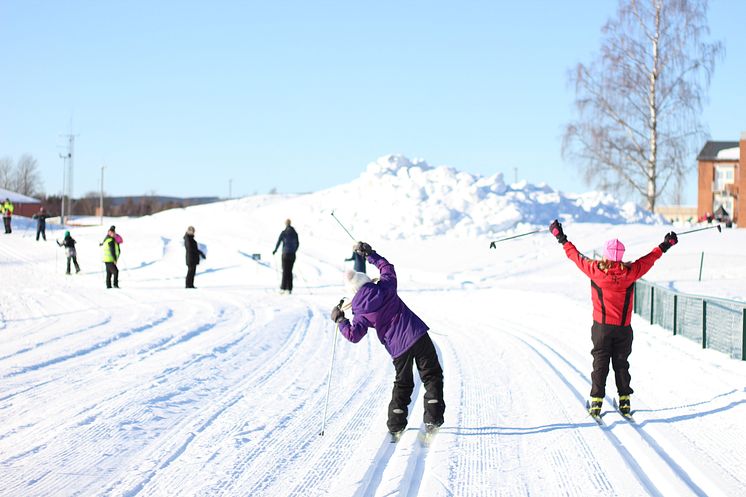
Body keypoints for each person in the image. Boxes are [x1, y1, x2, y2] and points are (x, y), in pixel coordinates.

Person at [549, 219, 677, 417]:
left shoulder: (595, 270)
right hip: (624, 328)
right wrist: (666, 245)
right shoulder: (631, 272)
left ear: (605, 255)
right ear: (621, 256)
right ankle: (624, 400)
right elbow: (649, 259)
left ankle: (596, 402)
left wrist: (560, 236)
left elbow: (575, 256)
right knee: (621, 363)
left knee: (600, 363)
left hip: (601, 328)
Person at [331, 242, 445, 441]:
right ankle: (432, 420)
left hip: (398, 348)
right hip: (417, 334)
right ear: (366, 280)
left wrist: (341, 320)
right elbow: (387, 268)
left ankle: (396, 425)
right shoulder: (385, 287)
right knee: (432, 375)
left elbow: (353, 335)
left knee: (403, 383)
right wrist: (370, 254)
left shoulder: (360, 312)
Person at [272, 219, 299, 294]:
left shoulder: (284, 233)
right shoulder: (295, 233)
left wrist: (275, 250)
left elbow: (279, 242)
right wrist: (294, 250)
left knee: (285, 271)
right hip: (292, 255)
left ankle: (283, 288)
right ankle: (289, 289)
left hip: (285, 254)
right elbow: (297, 243)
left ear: (285, 224)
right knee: (290, 271)